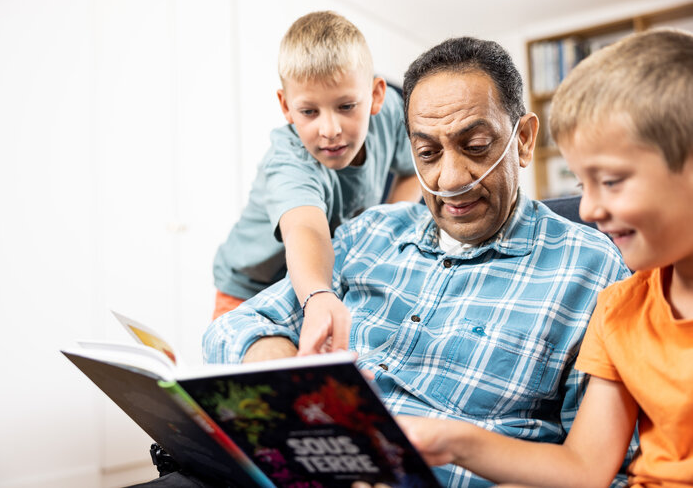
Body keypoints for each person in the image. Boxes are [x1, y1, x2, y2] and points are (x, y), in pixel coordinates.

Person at [203, 36, 634, 486]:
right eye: (428, 153)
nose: (450, 179)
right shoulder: (370, 233)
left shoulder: (591, 269)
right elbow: (234, 327)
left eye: (477, 145)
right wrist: (295, 383)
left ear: (523, 140)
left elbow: (609, 470)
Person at [394, 29, 693, 487]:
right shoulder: (620, 309)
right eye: (581, 186)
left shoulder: (597, 278)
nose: (590, 210)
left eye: (611, 181)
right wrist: (454, 442)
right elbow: (585, 468)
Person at [211, 10, 421, 356]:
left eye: (346, 106)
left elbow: (412, 169)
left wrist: (383, 222)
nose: (330, 129)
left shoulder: (390, 115)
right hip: (250, 288)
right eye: (309, 111)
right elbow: (305, 230)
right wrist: (318, 295)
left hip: (318, 281)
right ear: (286, 107)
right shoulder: (289, 158)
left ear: (376, 95)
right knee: (256, 391)